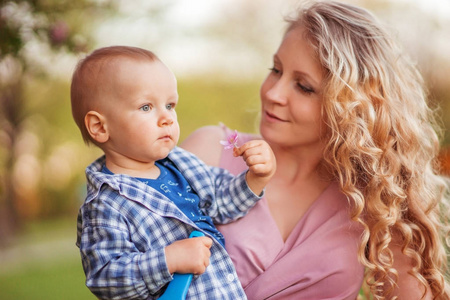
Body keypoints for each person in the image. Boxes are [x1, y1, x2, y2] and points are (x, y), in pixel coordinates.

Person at [181, 1, 450, 299]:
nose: (272, 93)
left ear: (351, 106)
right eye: (276, 70)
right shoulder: (209, 151)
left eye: (304, 86)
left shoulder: (375, 203)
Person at [70, 46, 276, 299]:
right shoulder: (105, 205)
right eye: (146, 107)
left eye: (170, 105)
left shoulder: (181, 165)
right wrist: (169, 259)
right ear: (100, 126)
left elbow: (223, 201)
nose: (167, 117)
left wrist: (255, 178)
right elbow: (105, 277)